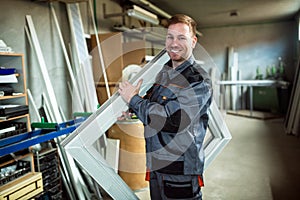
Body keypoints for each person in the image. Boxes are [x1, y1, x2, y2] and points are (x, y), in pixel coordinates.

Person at [118, 14, 213, 200]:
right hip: (157, 164)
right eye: (170, 37)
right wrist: (132, 110)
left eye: (181, 37)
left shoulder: (198, 81)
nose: (174, 43)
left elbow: (171, 120)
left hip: (179, 171)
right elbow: (156, 104)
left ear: (193, 41)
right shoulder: (165, 72)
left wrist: (134, 100)